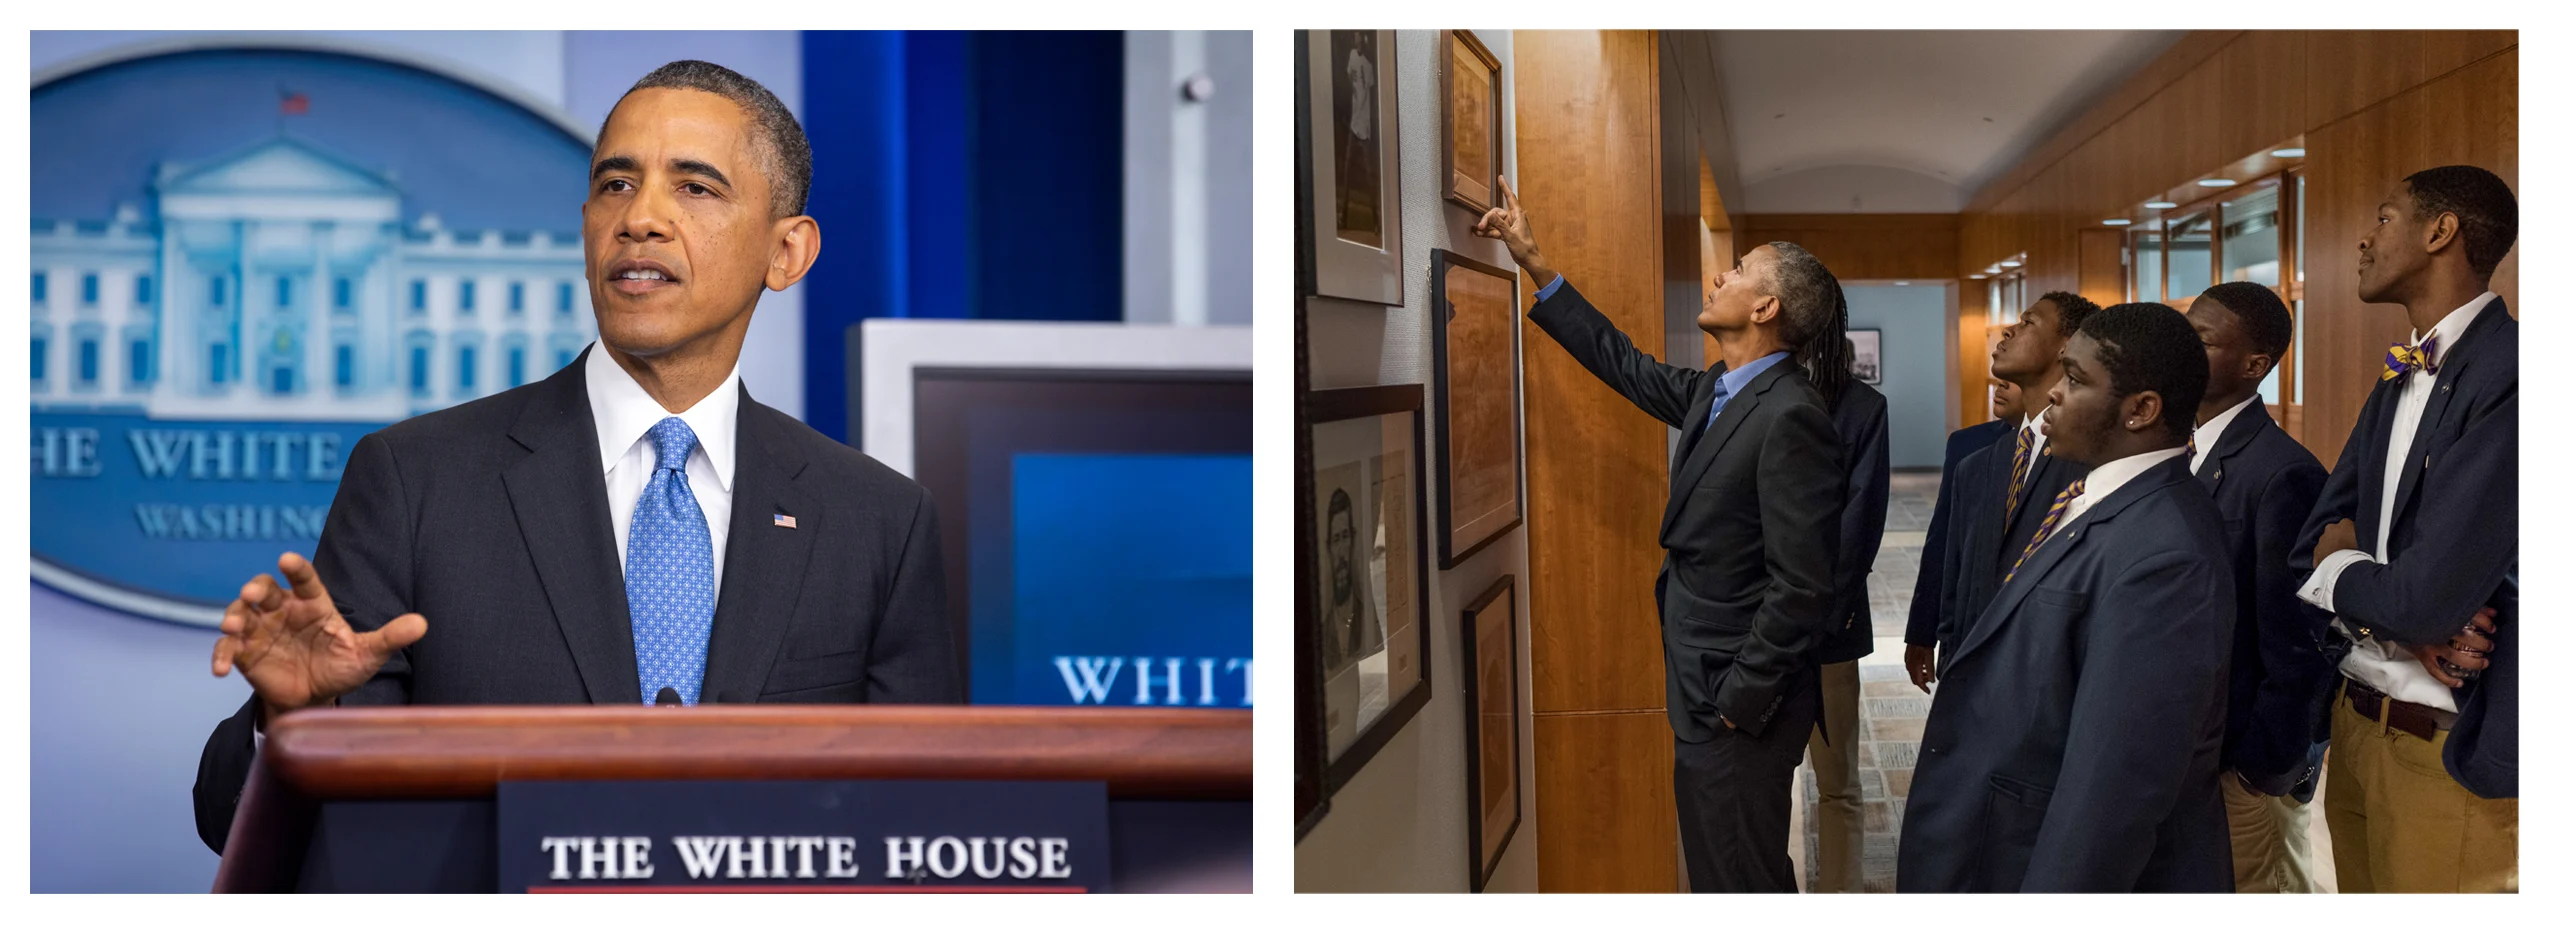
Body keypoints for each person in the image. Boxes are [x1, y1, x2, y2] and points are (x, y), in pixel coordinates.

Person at [193, 61, 960, 854]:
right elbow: (240, 823)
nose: (642, 219)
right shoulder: (415, 481)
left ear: (787, 252)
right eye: (616, 185)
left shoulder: (879, 522)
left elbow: (931, 828)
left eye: (694, 188)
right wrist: (295, 722)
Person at [1471, 176, 1845, 892]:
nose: (1718, 274)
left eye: (1737, 271)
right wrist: (1535, 264)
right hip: (1706, 684)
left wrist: (1738, 699)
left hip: (1739, 704)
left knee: (1740, 878)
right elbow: (1626, 365)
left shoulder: (1791, 414)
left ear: (1765, 307)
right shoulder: (1718, 389)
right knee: (1723, 869)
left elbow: (1803, 584)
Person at [1900, 302, 2236, 892]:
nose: (2053, 394)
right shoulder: (2097, 496)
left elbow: (2114, 786)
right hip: (1998, 832)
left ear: (2141, 410)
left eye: (2075, 380)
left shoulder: (2167, 552)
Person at [2292, 165, 2517, 893]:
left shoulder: (2512, 371)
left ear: (2440, 231)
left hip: (2445, 747)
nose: (2364, 236)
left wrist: (2349, 573)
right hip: (2358, 724)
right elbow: (2313, 533)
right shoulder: (2399, 373)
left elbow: (2424, 599)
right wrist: (2388, 600)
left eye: (2384, 218)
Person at [2182, 281, 2331, 893]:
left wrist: (2261, 767)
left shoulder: (2282, 471)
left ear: (2254, 365)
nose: (2183, 348)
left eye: (2202, 339)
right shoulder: (2175, 447)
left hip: (2241, 760)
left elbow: (2297, 639)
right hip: (2189, 749)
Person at [1933, 292, 2099, 658]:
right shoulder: (1980, 465)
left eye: (2028, 323)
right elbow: (1958, 584)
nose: (2008, 331)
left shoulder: (2090, 462)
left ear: (2065, 346)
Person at [1804, 297, 1890, 893]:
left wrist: (1806, 624)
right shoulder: (1736, 388)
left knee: (1837, 782)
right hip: (1745, 629)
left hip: (1826, 630)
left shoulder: (1862, 408)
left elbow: (1858, 529)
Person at [1906, 378, 2023, 692]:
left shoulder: (2070, 451)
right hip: (1965, 631)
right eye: (1999, 378)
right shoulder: (1968, 444)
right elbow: (1942, 541)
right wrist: (1921, 632)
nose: (2000, 385)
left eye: (2015, 380)